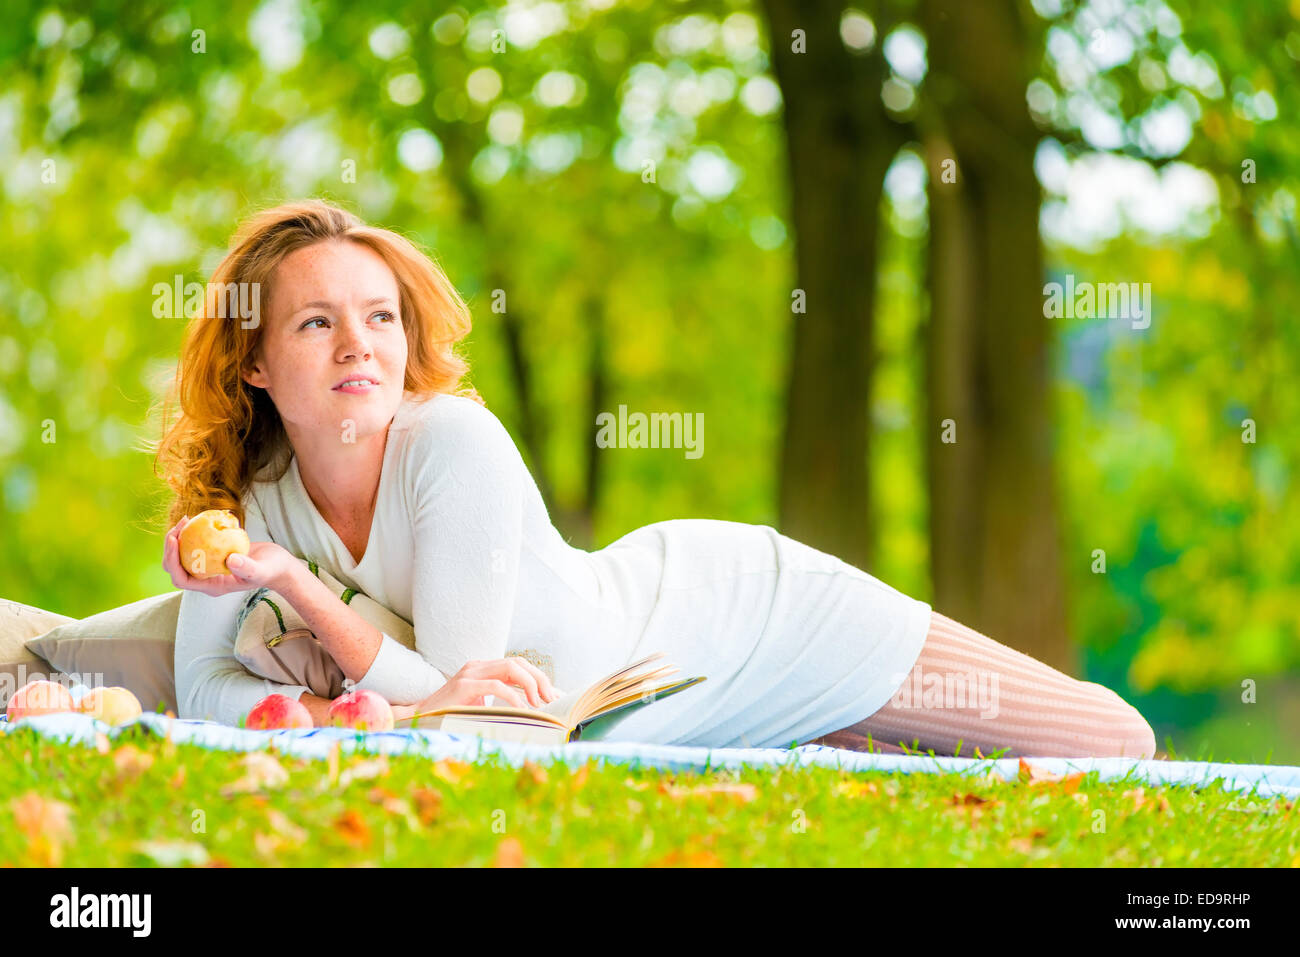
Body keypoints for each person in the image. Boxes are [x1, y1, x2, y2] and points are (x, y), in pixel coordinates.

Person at [154, 199, 1156, 758]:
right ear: (254, 359)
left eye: (379, 317)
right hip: (643, 711)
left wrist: (293, 593)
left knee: (1111, 743)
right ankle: (835, 739)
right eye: (315, 321)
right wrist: (319, 713)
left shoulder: (448, 444)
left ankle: (835, 716)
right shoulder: (247, 496)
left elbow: (469, 716)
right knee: (891, 770)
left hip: (736, 620)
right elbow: (203, 685)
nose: (357, 346)